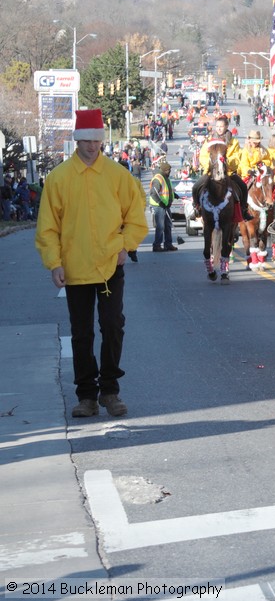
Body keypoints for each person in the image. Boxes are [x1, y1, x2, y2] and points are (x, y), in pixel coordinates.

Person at [35, 109, 147, 418]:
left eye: (97, 141)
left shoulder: (118, 175)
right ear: (77, 141)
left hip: (111, 265)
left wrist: (125, 245)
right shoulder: (58, 178)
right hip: (75, 268)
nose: (92, 147)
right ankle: (87, 396)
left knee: (113, 326)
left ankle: (110, 391)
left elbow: (136, 220)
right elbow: (47, 227)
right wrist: (54, 263)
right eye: (86, 141)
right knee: (81, 333)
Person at [195, 116, 250, 220]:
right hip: (211, 173)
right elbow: (203, 156)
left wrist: (226, 163)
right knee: (196, 187)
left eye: (221, 126)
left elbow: (237, 157)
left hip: (228, 172)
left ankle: (243, 210)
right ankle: (197, 208)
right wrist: (212, 165)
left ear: (227, 127)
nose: (219, 128)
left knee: (242, 186)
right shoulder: (209, 141)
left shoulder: (233, 142)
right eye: (217, 126)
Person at [148, 158, 178, 252]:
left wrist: (174, 195)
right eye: (169, 170)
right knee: (160, 226)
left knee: (168, 225)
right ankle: (157, 245)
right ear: (165, 170)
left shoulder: (166, 178)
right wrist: (160, 203)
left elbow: (167, 191)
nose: (170, 172)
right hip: (159, 206)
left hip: (166, 205)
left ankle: (168, 244)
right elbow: (154, 193)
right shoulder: (158, 178)